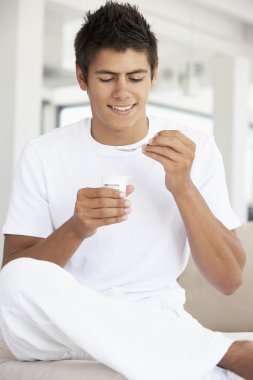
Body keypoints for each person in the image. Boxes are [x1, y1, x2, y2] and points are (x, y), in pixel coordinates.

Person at [0, 2, 252, 379]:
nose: (122, 92)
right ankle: (222, 352)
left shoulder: (194, 147)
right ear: (82, 78)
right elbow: (16, 273)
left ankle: (160, 347)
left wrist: (183, 186)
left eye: (135, 77)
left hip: (153, 314)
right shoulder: (44, 154)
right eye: (107, 78)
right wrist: (76, 229)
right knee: (16, 279)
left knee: (142, 329)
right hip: (59, 323)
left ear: (153, 75)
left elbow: (229, 280)